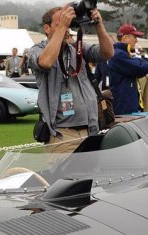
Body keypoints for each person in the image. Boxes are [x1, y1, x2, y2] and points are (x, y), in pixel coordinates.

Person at [27, 3, 113, 151]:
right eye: (59, 23)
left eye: (68, 24)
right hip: (62, 134)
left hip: (90, 130)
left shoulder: (76, 47)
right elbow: (45, 62)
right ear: (47, 28)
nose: (66, 28)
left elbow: (108, 53)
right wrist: (63, 26)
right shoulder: (37, 50)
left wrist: (99, 25)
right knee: (66, 168)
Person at [108, 23, 148, 115]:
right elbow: (140, 68)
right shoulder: (118, 55)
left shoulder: (123, 53)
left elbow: (139, 66)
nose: (136, 41)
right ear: (125, 38)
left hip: (126, 104)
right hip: (123, 106)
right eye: (135, 37)